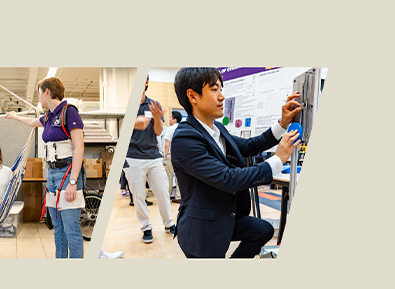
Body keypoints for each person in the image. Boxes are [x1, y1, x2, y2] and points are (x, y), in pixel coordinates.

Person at [171, 67, 301, 258]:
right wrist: (278, 159)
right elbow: (227, 178)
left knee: (262, 230)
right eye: (214, 90)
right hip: (201, 229)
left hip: (224, 215)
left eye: (220, 89)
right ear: (192, 96)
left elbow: (249, 146)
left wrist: (282, 124)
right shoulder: (185, 138)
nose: (222, 96)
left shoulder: (217, 129)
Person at [6, 76, 85, 259]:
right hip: (52, 175)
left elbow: (79, 147)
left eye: (39, 93)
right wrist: (14, 117)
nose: (39, 98)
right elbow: (32, 123)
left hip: (67, 174)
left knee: (71, 229)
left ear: (47, 91)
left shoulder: (69, 112)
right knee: (57, 227)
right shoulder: (49, 116)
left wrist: (73, 181)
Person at [124, 75, 175, 244]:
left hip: (153, 156)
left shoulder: (154, 105)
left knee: (162, 192)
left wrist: (156, 118)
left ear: (146, 83)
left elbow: (159, 132)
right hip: (133, 157)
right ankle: (146, 227)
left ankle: (168, 224)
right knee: (138, 196)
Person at [164, 110, 183, 203]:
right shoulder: (183, 128)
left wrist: (165, 156)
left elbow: (167, 145)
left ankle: (167, 196)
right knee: (179, 177)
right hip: (182, 156)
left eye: (170, 117)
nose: (169, 119)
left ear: (175, 120)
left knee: (169, 177)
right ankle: (178, 196)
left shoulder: (170, 129)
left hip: (171, 155)